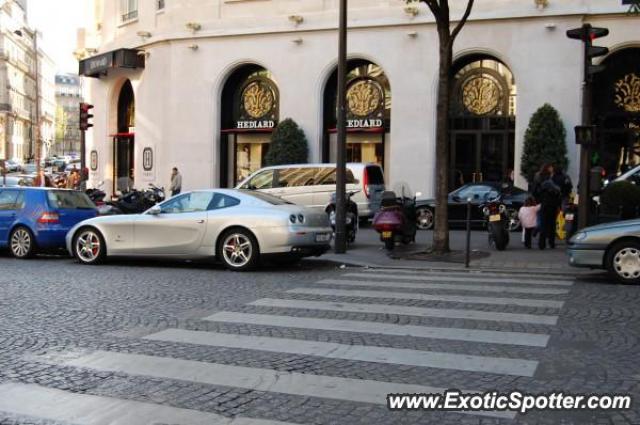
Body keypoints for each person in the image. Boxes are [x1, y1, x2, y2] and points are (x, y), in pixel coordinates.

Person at [537, 172, 562, 250]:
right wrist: (558, 206)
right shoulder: (556, 189)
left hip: (544, 207)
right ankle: (551, 243)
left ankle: (542, 244)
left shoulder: (542, 187)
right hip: (553, 207)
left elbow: (538, 195)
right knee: (552, 225)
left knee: (543, 225)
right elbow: (558, 198)